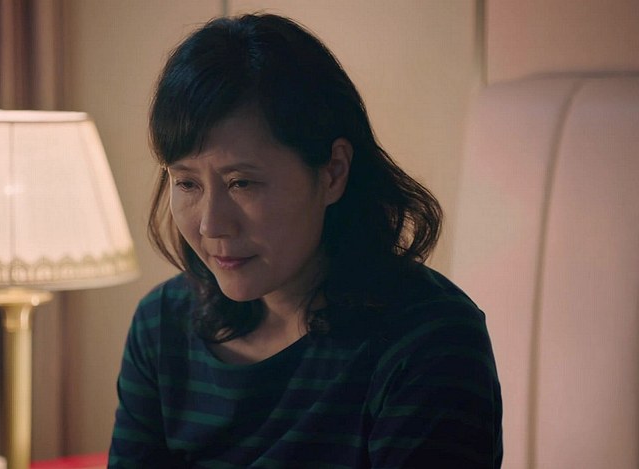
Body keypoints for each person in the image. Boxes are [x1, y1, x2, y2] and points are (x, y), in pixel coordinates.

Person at [109, 13, 502, 468]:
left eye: (242, 183)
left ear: (333, 172)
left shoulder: (428, 341)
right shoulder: (162, 325)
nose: (212, 225)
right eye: (187, 183)